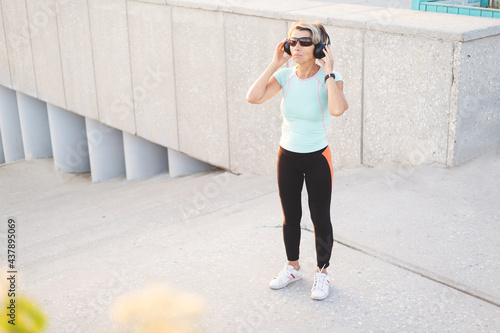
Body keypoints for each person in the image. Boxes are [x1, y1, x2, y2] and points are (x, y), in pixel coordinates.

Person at [246, 21, 348, 300]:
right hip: (287, 156)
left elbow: (338, 110)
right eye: (293, 41)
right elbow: (252, 97)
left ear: (319, 46)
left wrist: (328, 71)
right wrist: (274, 63)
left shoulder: (330, 78)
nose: (297, 47)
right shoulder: (285, 77)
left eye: (305, 42)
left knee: (320, 217)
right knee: (291, 216)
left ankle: (322, 273)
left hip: (318, 158)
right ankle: (293, 268)